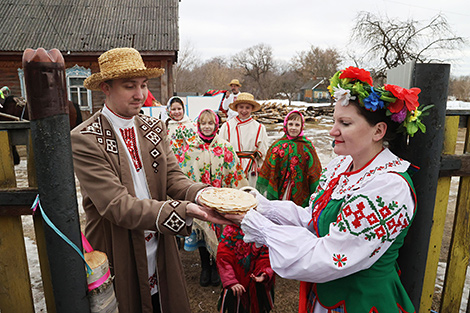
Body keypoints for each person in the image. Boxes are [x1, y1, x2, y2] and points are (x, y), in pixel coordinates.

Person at [222, 66, 429, 313]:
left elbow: (331, 255)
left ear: (378, 131)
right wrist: (259, 206)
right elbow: (313, 218)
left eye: (345, 123)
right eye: (334, 121)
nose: (333, 131)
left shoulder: (389, 186)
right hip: (325, 298)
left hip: (362, 303)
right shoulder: (344, 164)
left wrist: (261, 227)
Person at [71, 47, 228, 313]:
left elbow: (173, 179)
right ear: (106, 88)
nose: (140, 94)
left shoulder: (153, 128)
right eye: (129, 86)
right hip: (118, 245)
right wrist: (182, 210)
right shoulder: (85, 138)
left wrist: (205, 196)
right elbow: (117, 205)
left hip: (159, 242)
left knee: (162, 301)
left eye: (143, 85)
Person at [178, 108, 249, 287]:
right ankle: (205, 267)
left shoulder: (225, 147)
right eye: (204, 123)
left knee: (220, 234)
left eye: (210, 123)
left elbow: (235, 172)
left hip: (221, 201)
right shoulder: (189, 148)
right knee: (202, 233)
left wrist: (240, 196)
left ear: (216, 125)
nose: (207, 126)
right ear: (198, 125)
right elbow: (182, 173)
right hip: (200, 201)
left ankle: (218, 266)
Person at [257, 110, 322, 207]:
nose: (293, 128)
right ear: (285, 125)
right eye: (290, 124)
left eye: (297, 125)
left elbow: (315, 169)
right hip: (280, 187)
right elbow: (269, 167)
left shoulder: (307, 147)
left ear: (302, 126)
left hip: (301, 188)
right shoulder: (277, 146)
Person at [216, 224, 275, 313]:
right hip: (236, 286)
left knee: (258, 308)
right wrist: (231, 281)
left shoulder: (262, 229)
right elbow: (223, 258)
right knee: (236, 308)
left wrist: (264, 273)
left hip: (256, 285)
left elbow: (266, 255)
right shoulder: (230, 231)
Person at [219, 92, 269, 187]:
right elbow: (220, 149)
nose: (244, 110)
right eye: (241, 107)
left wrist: (262, 171)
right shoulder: (227, 126)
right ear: (237, 108)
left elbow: (263, 152)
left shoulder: (259, 127)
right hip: (231, 167)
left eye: (247, 107)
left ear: (252, 109)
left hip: (250, 169)